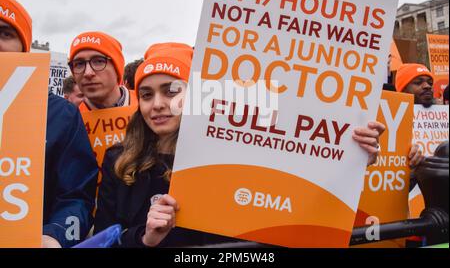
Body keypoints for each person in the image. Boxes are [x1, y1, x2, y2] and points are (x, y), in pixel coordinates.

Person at [94, 42, 386, 247]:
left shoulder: (236, 153)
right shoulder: (119, 161)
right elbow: (106, 241)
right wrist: (145, 239)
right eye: (146, 95)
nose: (157, 104)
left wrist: (352, 156)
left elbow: (302, 201)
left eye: (172, 91)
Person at [0, 0, 98, 248]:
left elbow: (76, 197)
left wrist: (55, 235)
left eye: (4, 33)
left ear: (24, 47)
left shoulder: (61, 115)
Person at [68, 31, 138, 111]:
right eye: (79, 64)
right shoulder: (70, 120)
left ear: (117, 68)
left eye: (99, 61)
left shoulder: (146, 107)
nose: (88, 73)